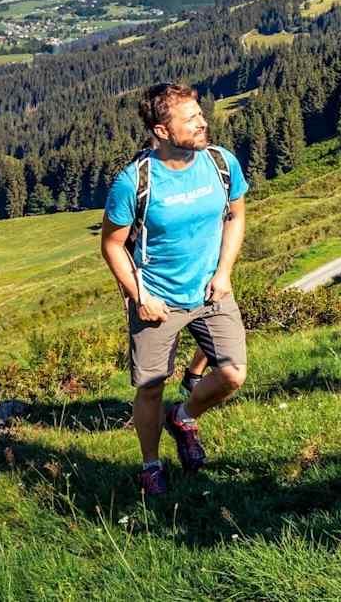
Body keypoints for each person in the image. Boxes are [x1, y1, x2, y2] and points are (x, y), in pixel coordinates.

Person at [100, 83, 249, 497]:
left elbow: (235, 215)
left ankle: (183, 417)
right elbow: (111, 244)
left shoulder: (221, 162)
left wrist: (224, 273)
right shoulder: (135, 182)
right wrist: (139, 296)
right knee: (150, 387)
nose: (203, 122)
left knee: (232, 374)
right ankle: (151, 465)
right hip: (157, 299)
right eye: (190, 119)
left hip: (211, 293)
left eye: (200, 114)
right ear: (161, 131)